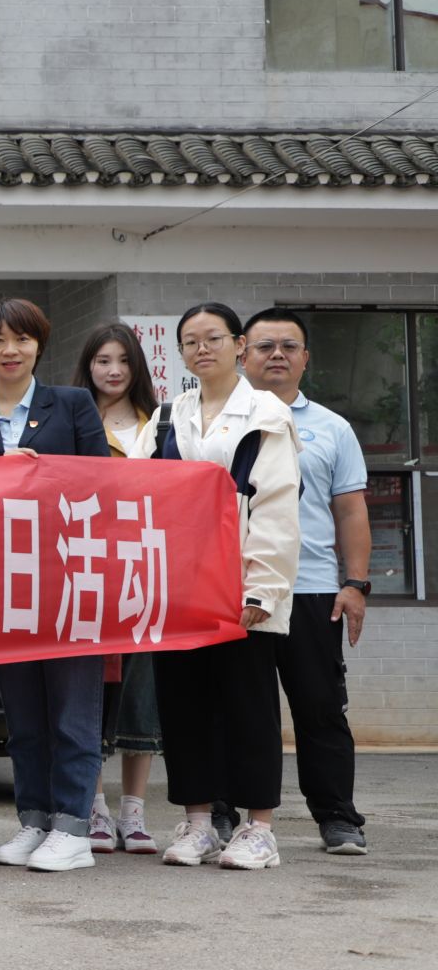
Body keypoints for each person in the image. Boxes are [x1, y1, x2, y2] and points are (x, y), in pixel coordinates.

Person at [129, 302, 301, 871]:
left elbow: (276, 506)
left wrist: (262, 590)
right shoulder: (166, 418)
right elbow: (132, 492)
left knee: (249, 707)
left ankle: (259, 828)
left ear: (239, 346)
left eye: (213, 338)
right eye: (190, 341)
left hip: (241, 589)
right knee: (184, 706)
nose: (202, 349)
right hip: (179, 590)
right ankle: (199, 822)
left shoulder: (267, 415)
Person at [0, 299, 110, 873]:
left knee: (72, 713)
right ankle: (35, 820)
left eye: (22, 340)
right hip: (5, 584)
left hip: (69, 578)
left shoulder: (72, 404)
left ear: (39, 346)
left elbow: (102, 485)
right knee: (23, 716)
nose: (10, 350)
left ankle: (74, 828)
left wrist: (40, 472)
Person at [241, 307, 371, 856]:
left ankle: (338, 818)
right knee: (240, 710)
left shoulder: (332, 428)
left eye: (289, 346)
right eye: (265, 345)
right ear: (242, 352)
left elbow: (350, 510)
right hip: (239, 591)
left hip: (313, 589)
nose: (277, 355)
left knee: (320, 708)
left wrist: (355, 583)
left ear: (305, 358)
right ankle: (225, 813)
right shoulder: (224, 418)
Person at [75, 323, 163, 855]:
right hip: (85, 570)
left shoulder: (161, 423)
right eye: (103, 360)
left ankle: (134, 811)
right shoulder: (71, 418)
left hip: (146, 569)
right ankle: (94, 807)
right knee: (89, 690)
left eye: (124, 361)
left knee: (140, 691)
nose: (113, 371)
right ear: (87, 365)